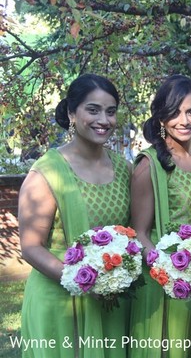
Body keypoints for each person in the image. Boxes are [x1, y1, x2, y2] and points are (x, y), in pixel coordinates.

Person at [18, 74, 131, 357]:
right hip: (58, 303)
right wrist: (82, 279)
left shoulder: (125, 169)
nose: (103, 120)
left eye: (110, 111)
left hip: (111, 303)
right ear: (71, 113)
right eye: (92, 110)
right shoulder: (48, 171)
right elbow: (31, 247)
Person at [129, 75, 191, 358]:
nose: (184, 120)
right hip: (163, 283)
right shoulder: (149, 164)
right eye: (175, 112)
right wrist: (171, 273)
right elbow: (139, 232)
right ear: (161, 118)